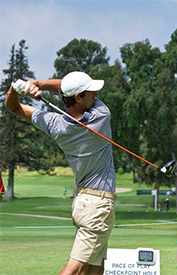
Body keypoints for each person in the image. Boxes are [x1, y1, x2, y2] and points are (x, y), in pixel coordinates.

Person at [5, 71, 116, 275]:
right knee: (75, 270)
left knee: (95, 269)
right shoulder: (101, 115)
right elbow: (62, 88)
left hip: (83, 203)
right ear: (79, 98)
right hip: (97, 207)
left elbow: (13, 107)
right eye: (90, 92)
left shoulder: (55, 124)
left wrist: (18, 88)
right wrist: (39, 84)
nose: (96, 94)